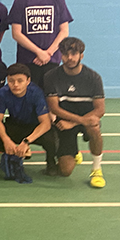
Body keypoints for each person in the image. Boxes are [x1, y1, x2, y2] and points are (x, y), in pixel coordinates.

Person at [44, 37, 106, 187]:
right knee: (65, 171)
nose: (69, 58)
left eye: (73, 53)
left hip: (84, 119)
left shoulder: (93, 77)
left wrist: (74, 122)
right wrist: (73, 122)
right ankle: (75, 153)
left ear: (81, 55)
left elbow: (100, 109)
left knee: (94, 127)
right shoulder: (51, 76)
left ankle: (96, 169)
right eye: (65, 54)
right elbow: (54, 108)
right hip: (64, 120)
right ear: (60, 55)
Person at [9, 0, 72, 89]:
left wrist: (48, 53)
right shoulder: (21, 0)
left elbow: (64, 31)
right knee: (29, 101)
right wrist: (39, 52)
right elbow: (16, 33)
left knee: (51, 101)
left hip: (52, 60)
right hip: (28, 61)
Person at [0, 63, 58, 176]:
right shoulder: (3, 92)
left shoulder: (36, 93)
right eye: (11, 81)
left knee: (52, 139)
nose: (15, 85)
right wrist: (6, 140)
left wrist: (26, 141)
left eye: (20, 81)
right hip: (16, 125)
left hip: (34, 127)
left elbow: (45, 123)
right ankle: (13, 150)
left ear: (28, 81)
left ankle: (50, 162)